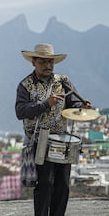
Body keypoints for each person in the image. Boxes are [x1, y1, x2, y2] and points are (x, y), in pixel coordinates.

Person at [15, 43, 92, 216]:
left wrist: (83, 106)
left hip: (62, 139)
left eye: (50, 62)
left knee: (62, 185)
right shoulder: (25, 85)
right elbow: (20, 111)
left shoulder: (63, 82)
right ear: (33, 62)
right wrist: (45, 105)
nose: (48, 66)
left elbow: (73, 103)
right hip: (39, 140)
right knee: (45, 184)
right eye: (43, 62)